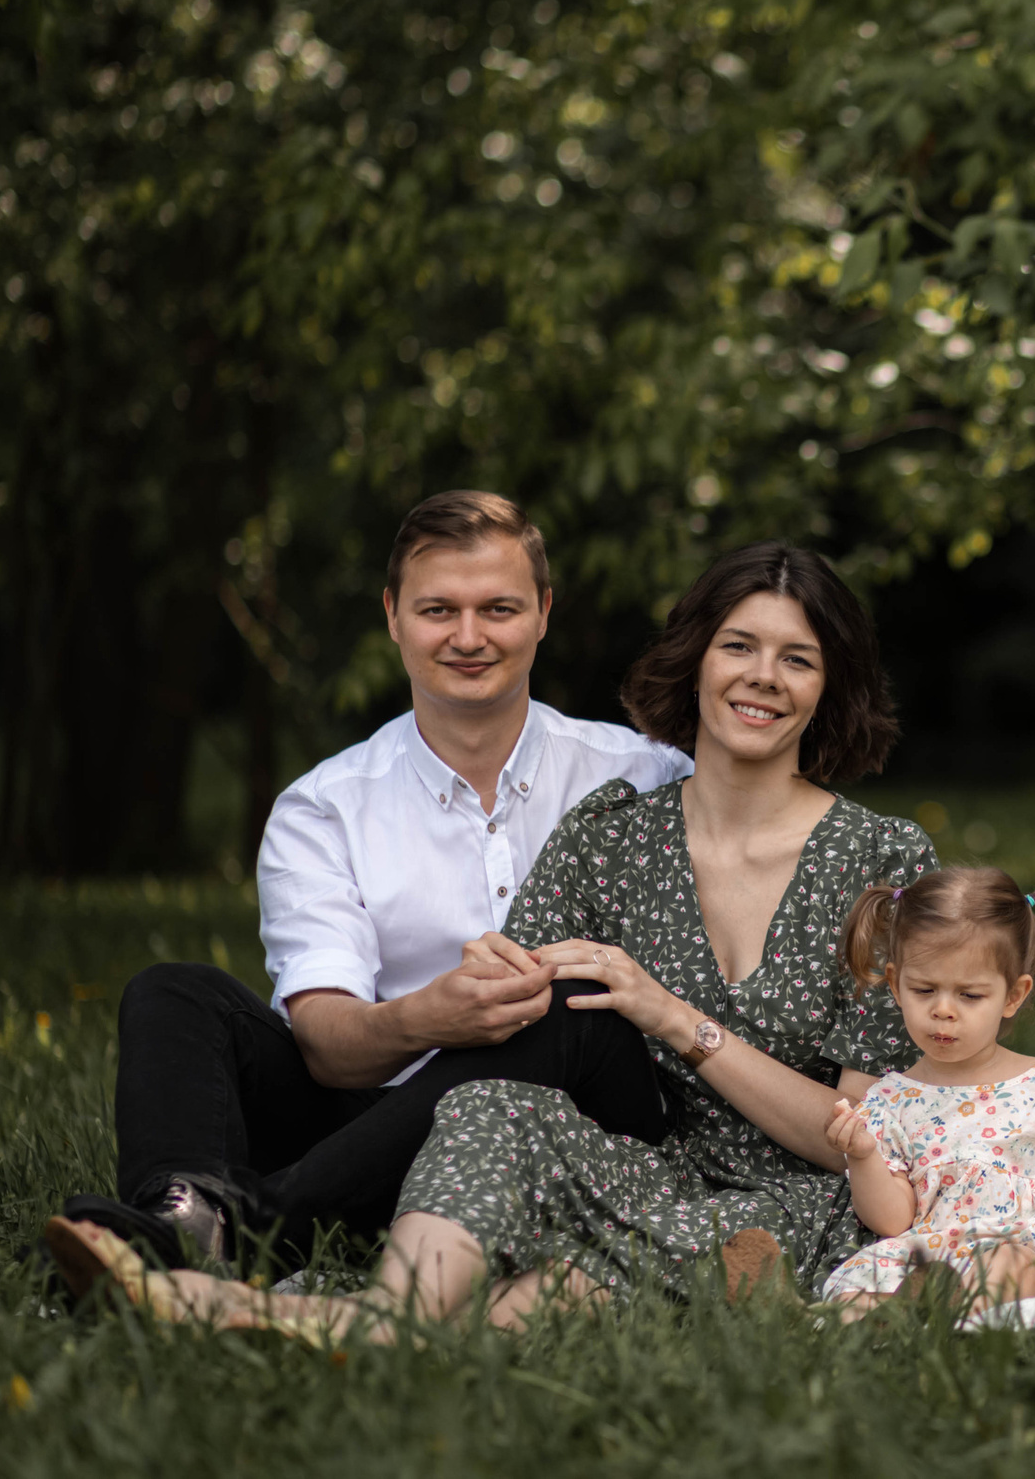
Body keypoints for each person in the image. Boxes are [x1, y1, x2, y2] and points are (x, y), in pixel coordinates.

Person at [46, 539, 934, 1335]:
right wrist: (474, 983)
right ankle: (199, 1231)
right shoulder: (613, 828)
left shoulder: (883, 862)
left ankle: (262, 1265)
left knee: (553, 1154)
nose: (763, 676)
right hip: (598, 1156)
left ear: (831, 685)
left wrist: (672, 1016)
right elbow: (509, 1014)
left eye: (797, 658)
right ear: (698, 657)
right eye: (738, 646)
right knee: (204, 996)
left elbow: (864, 1136)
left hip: (786, 1188)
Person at [59, 491, 691, 1269]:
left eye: (498, 608)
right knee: (174, 992)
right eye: (438, 609)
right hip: (374, 1128)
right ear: (393, 615)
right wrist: (429, 1017)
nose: (469, 636)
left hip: (585, 1124)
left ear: (543, 613)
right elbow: (327, 1046)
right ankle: (181, 1209)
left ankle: (244, 1232)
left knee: (568, 998)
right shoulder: (324, 808)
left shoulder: (646, 776)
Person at [820, 866, 1035, 1312]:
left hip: (1020, 1247)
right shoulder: (890, 1102)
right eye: (923, 990)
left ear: (1013, 996)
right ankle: (894, 1313)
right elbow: (893, 1221)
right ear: (896, 986)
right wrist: (864, 1155)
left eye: (969, 995)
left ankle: (946, 1311)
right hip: (928, 1252)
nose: (943, 1010)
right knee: (859, 1282)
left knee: (1006, 1265)